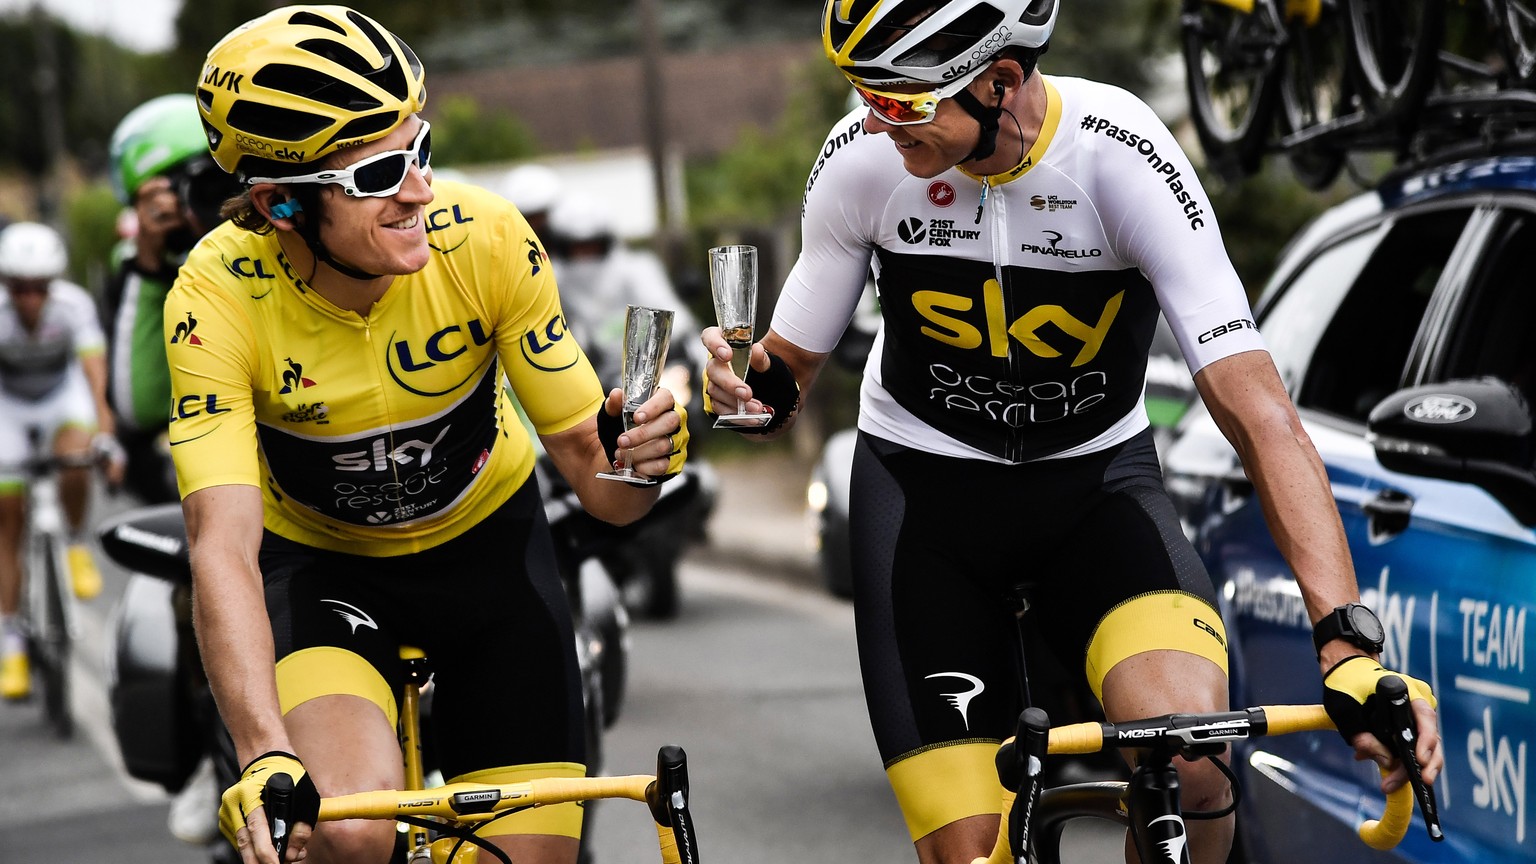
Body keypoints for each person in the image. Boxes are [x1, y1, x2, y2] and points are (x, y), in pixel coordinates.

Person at [699, 3, 1443, 864]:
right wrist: (741, 390)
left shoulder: (1121, 156)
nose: (875, 120)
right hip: (926, 504)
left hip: (1092, 493)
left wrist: (1347, 644)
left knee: (1191, 764)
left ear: (1001, 82)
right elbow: (781, 379)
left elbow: (1261, 416)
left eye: (902, 102)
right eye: (863, 94)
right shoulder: (863, 162)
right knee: (973, 851)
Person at [170, 7, 687, 864]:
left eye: (422, 150)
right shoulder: (214, 295)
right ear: (280, 202)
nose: (417, 190)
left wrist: (647, 459)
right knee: (352, 833)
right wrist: (263, 753)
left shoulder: (484, 237)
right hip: (326, 572)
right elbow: (222, 546)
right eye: (378, 172)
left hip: (492, 556)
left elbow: (604, 490)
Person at [0, 221, 124, 699]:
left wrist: (107, 438)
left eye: (39, 287)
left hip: (59, 396)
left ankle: (74, 542)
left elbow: (96, 380)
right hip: (8, 405)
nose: (30, 297)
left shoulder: (73, 305)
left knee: (76, 453)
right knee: (7, 523)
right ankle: (11, 642)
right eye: (19, 287)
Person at [103, 93, 243, 506]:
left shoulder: (271, 222)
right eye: (178, 188)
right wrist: (149, 265)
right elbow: (138, 406)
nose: (197, 199)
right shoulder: (141, 265)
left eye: (213, 176)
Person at [546, 190, 698, 398]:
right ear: (562, 246)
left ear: (606, 241)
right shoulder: (554, 280)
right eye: (577, 248)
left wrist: (684, 337)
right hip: (601, 380)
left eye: (592, 245)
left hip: (657, 367)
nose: (585, 255)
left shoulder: (637, 268)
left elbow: (667, 307)